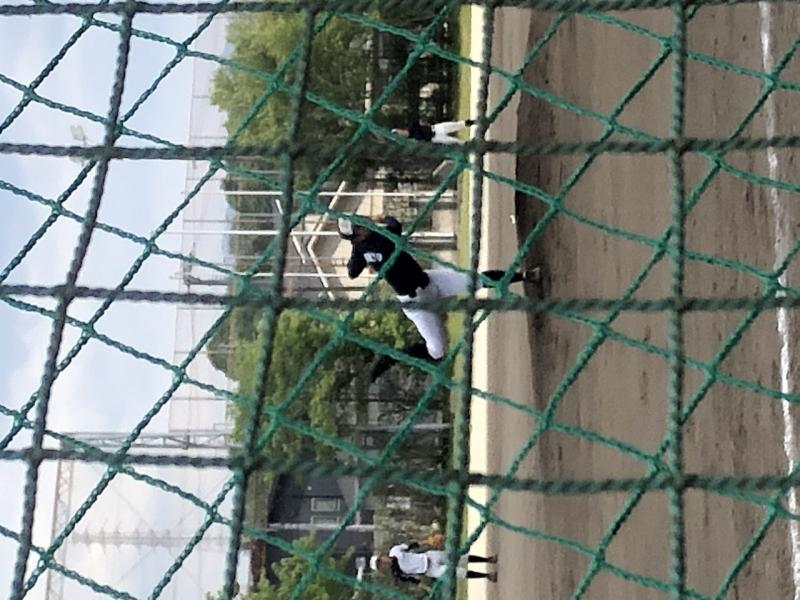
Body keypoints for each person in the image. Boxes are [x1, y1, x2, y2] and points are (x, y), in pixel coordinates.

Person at [337, 214, 539, 380]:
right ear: (356, 235)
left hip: (429, 282)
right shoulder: (375, 240)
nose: (363, 223)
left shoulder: (370, 242)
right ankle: (390, 358)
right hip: (416, 304)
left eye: (359, 221)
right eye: (358, 226)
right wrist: (376, 225)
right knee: (437, 352)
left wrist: (363, 249)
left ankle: (525, 276)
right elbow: (393, 226)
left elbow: (353, 270)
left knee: (475, 280)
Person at [370, 541, 498, 584]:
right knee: (458, 572)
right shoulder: (397, 573)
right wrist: (426, 588)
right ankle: (487, 575)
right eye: (380, 566)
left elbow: (412, 545)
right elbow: (413, 581)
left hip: (429, 557)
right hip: (431, 570)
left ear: (383, 556)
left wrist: (427, 541)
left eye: (380, 561)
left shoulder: (395, 551)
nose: (383, 563)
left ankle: (488, 559)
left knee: (460, 558)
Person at [392, 119, 475, 144]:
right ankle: (471, 144)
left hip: (436, 128)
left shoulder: (412, 126)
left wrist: (425, 123)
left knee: (457, 125)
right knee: (456, 142)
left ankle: (474, 122)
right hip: (436, 138)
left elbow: (420, 121)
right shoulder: (412, 139)